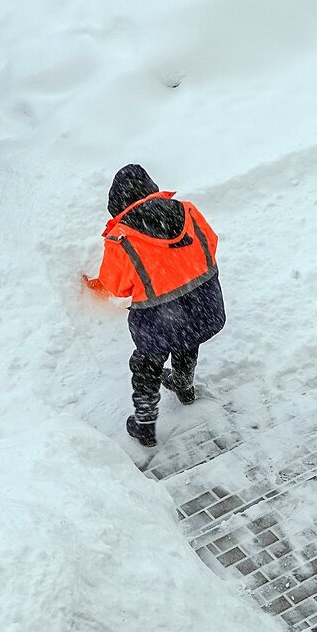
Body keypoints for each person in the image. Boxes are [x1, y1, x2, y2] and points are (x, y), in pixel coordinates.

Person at [83, 164, 226, 448]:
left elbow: (117, 286)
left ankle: (145, 425)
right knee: (188, 341)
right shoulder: (188, 211)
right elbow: (210, 243)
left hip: (159, 319)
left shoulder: (122, 238)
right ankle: (184, 387)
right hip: (205, 304)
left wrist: (98, 285)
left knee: (147, 364)